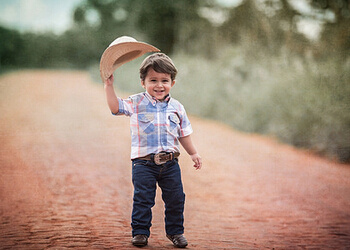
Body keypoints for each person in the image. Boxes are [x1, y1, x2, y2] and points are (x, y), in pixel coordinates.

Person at [104, 52, 202, 248]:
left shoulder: (177, 107)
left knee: (176, 199)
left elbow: (183, 133)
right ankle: (140, 232)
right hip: (143, 163)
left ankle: (175, 232)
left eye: (164, 80)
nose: (159, 85)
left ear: (172, 83)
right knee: (143, 198)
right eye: (153, 80)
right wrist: (109, 86)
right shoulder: (137, 102)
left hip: (170, 163)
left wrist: (193, 153)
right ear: (143, 82)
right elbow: (116, 108)